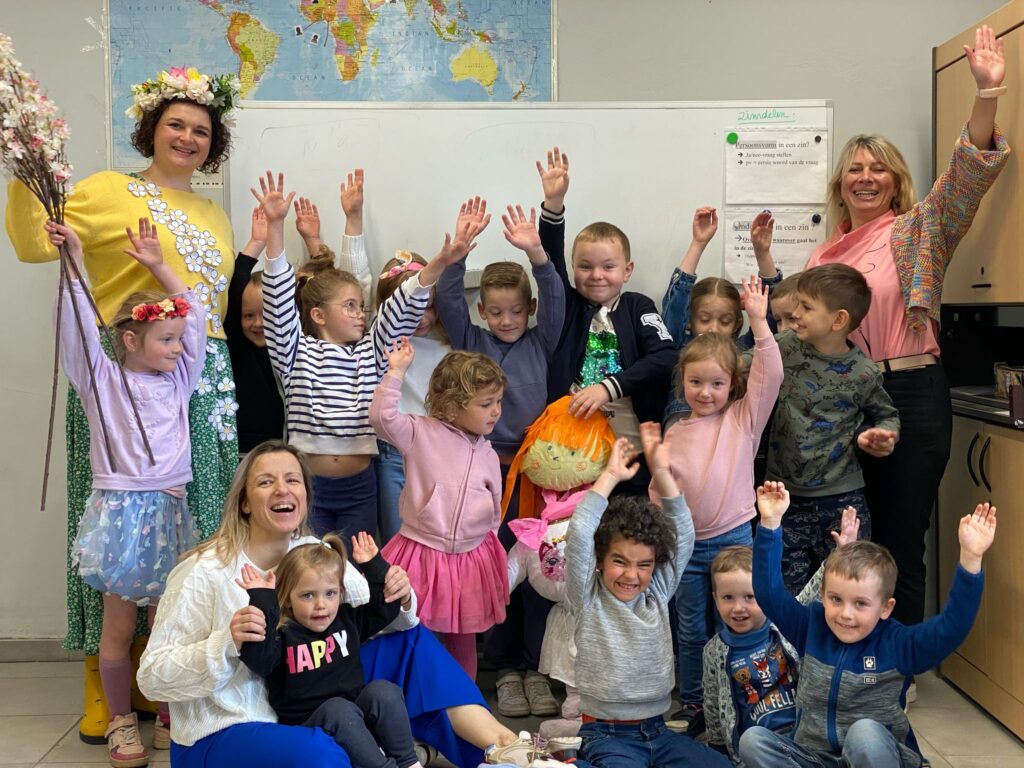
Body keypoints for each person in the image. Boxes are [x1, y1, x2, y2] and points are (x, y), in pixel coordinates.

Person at [6, 66, 242, 740]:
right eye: (176, 124)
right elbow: (32, 242)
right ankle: (105, 683)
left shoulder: (216, 213)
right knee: (118, 533)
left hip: (204, 374)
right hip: (125, 372)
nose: (188, 137)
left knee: (202, 525)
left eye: (201, 130)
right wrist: (26, 168)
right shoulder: (111, 190)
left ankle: (178, 679)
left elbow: (211, 305)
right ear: (150, 129)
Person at [137, 441, 570, 768]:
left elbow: (379, 621)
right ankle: (396, 751)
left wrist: (398, 592)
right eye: (266, 481)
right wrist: (224, 644)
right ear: (245, 502)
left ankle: (505, 748)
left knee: (410, 642)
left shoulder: (312, 551)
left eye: (293, 480)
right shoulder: (202, 573)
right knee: (325, 752)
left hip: (305, 702)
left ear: (306, 495)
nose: (282, 489)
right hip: (231, 729)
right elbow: (152, 679)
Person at [799, 26, 1010, 626]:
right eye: (854, 169)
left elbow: (967, 177)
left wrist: (986, 93)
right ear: (840, 183)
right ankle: (849, 655)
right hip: (844, 399)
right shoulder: (823, 256)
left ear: (895, 181)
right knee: (849, 538)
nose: (865, 177)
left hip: (912, 394)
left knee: (898, 540)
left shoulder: (919, 230)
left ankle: (896, 664)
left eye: (878, 169)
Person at [47, 218, 205, 767]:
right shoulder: (103, 382)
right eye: (166, 339)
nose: (178, 348)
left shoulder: (180, 380)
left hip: (170, 511)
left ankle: (167, 711)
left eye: (179, 340)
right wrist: (73, 262)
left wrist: (160, 266)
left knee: (167, 621)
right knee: (118, 625)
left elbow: (196, 318)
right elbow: (76, 333)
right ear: (132, 340)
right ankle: (120, 719)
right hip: (121, 515)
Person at [254, 172, 486, 542]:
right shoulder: (294, 351)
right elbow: (277, 297)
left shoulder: (372, 351)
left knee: (358, 567)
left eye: (360, 306)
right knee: (306, 566)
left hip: (359, 486)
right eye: (349, 306)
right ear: (318, 315)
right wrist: (275, 227)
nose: (360, 314)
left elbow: (402, 305)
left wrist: (440, 261)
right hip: (307, 485)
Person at [740, 481, 996, 768]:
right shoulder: (811, 626)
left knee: (863, 733)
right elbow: (769, 593)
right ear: (822, 595)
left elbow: (951, 628)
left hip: (878, 757)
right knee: (753, 741)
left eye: (860, 603)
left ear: (886, 608)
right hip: (817, 758)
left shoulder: (898, 644)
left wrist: (971, 559)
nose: (845, 614)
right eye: (836, 599)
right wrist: (770, 522)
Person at [435, 199, 566, 718]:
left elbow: (555, 298)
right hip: (485, 474)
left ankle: (536, 668)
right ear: (482, 312)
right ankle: (506, 667)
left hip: (537, 474)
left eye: (515, 310)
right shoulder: (470, 342)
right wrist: (458, 253)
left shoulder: (543, 340)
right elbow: (448, 299)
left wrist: (537, 255)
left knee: (541, 569)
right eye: (495, 311)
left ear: (529, 309)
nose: (506, 320)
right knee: (496, 569)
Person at [654, 277, 783, 736]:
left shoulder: (744, 419)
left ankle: (744, 693)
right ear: (682, 382)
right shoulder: (675, 430)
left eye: (716, 383)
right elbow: (662, 493)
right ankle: (695, 702)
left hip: (734, 538)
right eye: (695, 382)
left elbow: (772, 373)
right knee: (691, 631)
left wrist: (758, 320)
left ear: (733, 385)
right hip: (686, 547)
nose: (705, 392)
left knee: (742, 619)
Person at [565, 426, 731, 768]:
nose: (631, 575)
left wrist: (662, 473)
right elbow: (580, 531)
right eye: (619, 561)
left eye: (644, 565)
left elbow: (682, 532)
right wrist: (611, 475)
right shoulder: (587, 595)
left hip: (658, 731)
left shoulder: (657, 591)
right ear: (599, 560)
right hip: (605, 734)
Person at [536, 147, 676, 493]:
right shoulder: (568, 305)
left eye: (608, 266)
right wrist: (554, 205)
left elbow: (665, 357)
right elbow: (550, 262)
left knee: (628, 523)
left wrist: (608, 388)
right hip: (572, 451)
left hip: (631, 454)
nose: (596, 275)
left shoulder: (637, 306)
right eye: (585, 267)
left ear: (627, 270)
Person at [370, 340, 510, 679]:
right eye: (486, 404)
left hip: (469, 560)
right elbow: (381, 417)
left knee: (463, 640)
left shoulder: (489, 454)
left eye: (498, 402)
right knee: (415, 629)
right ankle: (416, 698)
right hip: (422, 551)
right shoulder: (420, 432)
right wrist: (396, 372)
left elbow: (494, 510)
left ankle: (466, 701)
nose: (496, 411)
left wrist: (488, 546)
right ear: (451, 405)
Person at [766, 264, 900, 593]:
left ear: (838, 320)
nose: (795, 314)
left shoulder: (864, 372)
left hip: (842, 500)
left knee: (848, 586)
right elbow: (737, 366)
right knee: (787, 593)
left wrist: (884, 434)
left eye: (806, 307)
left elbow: (887, 415)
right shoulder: (783, 347)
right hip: (784, 498)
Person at [237, 532, 422, 768]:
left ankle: (409, 763)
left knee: (384, 692)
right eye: (308, 595)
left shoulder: (347, 620)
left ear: (340, 593)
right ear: (288, 598)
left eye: (330, 594)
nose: (321, 605)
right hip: (308, 727)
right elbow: (258, 659)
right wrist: (263, 600)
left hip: (354, 717)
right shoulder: (283, 635)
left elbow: (384, 609)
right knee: (338, 709)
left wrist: (374, 566)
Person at [701, 507, 858, 763]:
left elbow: (813, 592)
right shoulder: (713, 651)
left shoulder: (784, 623)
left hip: (804, 740)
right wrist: (718, 752)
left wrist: (839, 555)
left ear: (765, 595)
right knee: (752, 742)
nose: (738, 608)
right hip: (759, 748)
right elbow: (711, 703)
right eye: (728, 597)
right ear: (715, 599)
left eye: (750, 597)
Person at [661, 208, 781, 426]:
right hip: (683, 431)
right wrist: (698, 243)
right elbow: (674, 308)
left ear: (737, 323)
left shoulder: (743, 351)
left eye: (724, 321)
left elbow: (773, 318)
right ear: (689, 320)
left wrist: (762, 253)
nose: (713, 328)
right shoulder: (681, 347)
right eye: (704, 319)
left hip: (728, 436)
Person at [225, 207, 285, 455]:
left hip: (282, 447)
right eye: (248, 316)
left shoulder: (289, 349)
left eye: (267, 315)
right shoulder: (238, 347)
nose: (258, 323)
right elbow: (234, 288)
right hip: (241, 449)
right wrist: (256, 243)